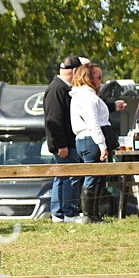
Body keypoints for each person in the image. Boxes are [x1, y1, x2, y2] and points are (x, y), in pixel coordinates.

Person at [69, 63, 112, 224]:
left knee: (97, 176)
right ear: (88, 77)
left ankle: (94, 214)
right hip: (90, 139)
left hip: (84, 139)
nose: (101, 80)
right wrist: (102, 145)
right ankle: (88, 214)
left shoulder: (79, 95)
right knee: (93, 176)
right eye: (98, 76)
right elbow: (93, 123)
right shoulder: (88, 97)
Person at [44, 56, 83, 223]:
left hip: (64, 143)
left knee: (61, 177)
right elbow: (54, 120)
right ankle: (68, 212)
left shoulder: (60, 88)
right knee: (69, 177)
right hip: (64, 144)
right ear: (74, 71)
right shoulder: (56, 89)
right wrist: (61, 144)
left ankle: (58, 213)